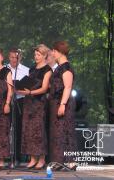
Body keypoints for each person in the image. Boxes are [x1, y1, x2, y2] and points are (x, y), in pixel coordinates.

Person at [17, 44, 52, 170]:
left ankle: (41, 159)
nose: (36, 57)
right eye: (35, 54)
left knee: (39, 131)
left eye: (38, 55)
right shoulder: (32, 69)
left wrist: (30, 92)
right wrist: (21, 88)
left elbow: (44, 88)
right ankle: (32, 158)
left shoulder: (48, 69)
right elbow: (29, 83)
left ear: (44, 56)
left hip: (39, 103)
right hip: (28, 103)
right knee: (29, 130)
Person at [49, 41, 77, 170]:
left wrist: (62, 104)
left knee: (66, 131)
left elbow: (68, 87)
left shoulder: (66, 67)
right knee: (58, 133)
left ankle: (71, 162)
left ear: (60, 52)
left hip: (63, 103)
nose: (52, 53)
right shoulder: (58, 67)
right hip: (56, 102)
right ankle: (59, 161)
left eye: (54, 51)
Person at [7, 48, 29, 165]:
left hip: (20, 102)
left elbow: (30, 87)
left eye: (16, 57)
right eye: (11, 57)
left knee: (19, 130)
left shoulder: (26, 70)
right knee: (5, 129)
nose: (14, 59)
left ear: (20, 57)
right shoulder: (4, 69)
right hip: (6, 101)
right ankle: (4, 157)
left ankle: (18, 157)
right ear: (8, 57)